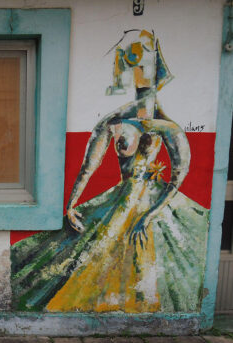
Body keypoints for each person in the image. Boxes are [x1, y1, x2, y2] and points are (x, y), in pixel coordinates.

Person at [11, 30, 208, 313]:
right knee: (90, 263)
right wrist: (70, 205)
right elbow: (87, 168)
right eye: (136, 66)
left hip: (149, 203)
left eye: (144, 67)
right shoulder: (115, 120)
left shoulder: (167, 126)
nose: (140, 75)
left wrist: (151, 213)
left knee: (141, 264)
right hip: (123, 199)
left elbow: (180, 172)